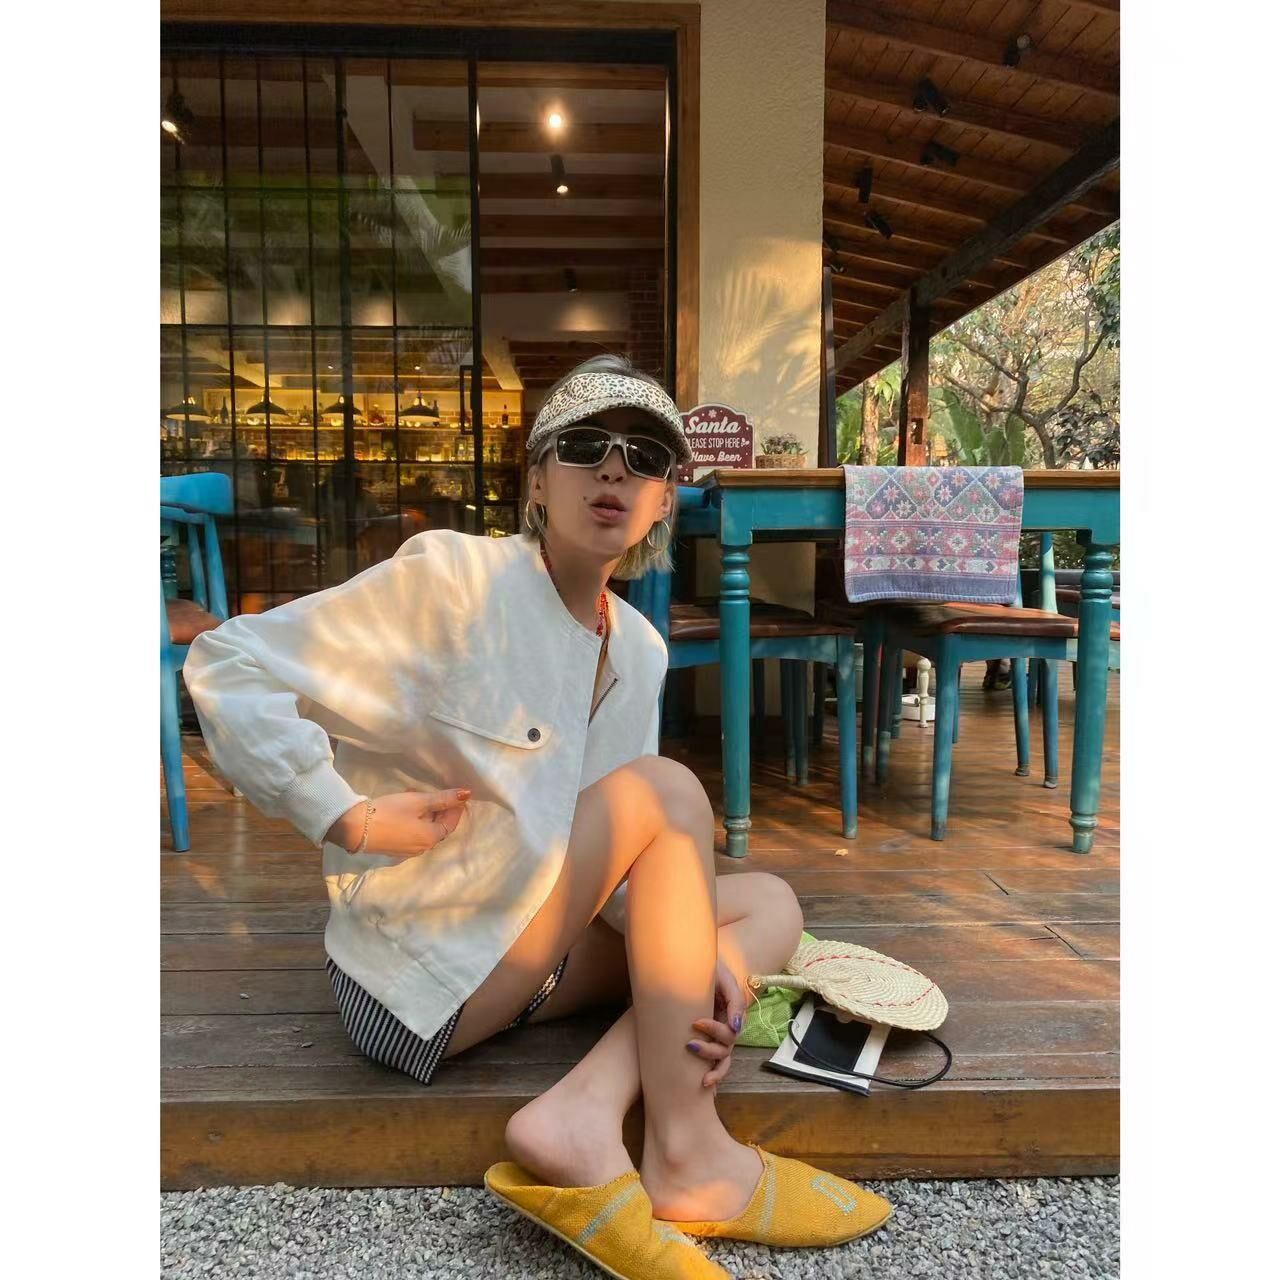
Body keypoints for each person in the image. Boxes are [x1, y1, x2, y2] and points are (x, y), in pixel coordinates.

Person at [182, 354, 891, 1278]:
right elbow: (227, 662)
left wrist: (693, 970)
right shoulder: (455, 581)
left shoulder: (638, 648)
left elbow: (617, 862)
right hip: (419, 981)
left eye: (644, 457)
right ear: (537, 480)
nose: (614, 470)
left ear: (664, 501)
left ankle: (584, 1110)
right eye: (585, 446)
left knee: (770, 906)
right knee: (669, 790)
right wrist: (344, 816)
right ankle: (688, 1155)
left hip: (528, 951)